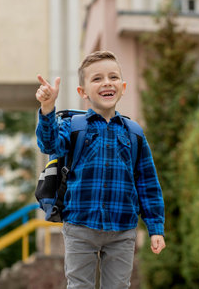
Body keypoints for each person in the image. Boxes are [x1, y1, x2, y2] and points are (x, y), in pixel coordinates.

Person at [35, 50, 165, 289]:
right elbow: (49, 143)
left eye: (113, 77)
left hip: (123, 228)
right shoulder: (72, 126)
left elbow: (147, 183)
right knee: (79, 286)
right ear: (82, 92)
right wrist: (47, 108)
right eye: (97, 78)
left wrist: (155, 228)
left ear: (123, 87)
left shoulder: (134, 133)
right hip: (80, 226)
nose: (107, 82)